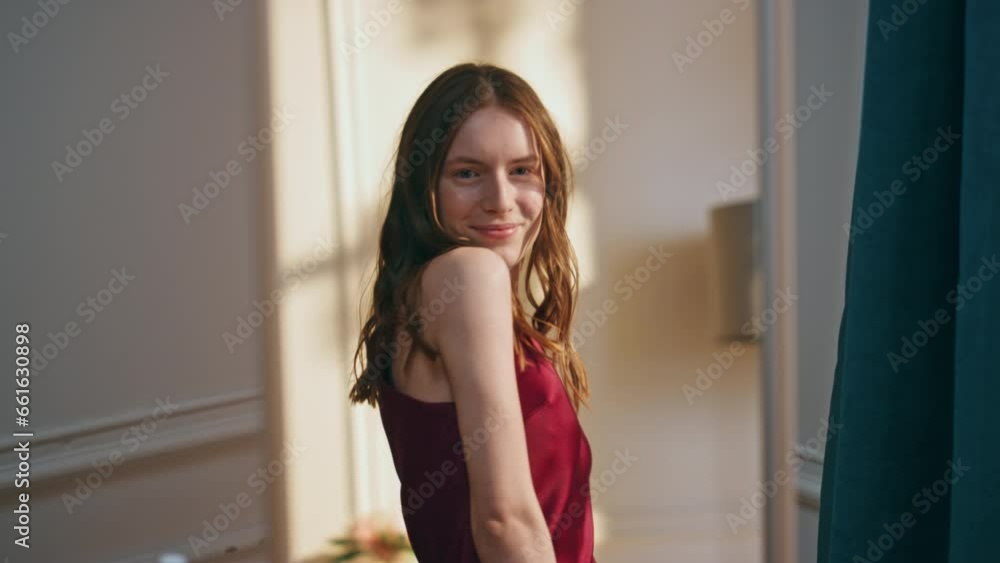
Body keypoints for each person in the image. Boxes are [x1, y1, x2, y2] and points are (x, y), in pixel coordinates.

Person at [349, 62, 596, 563]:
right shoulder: (469, 276)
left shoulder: (423, 292)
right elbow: (503, 520)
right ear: (425, 187)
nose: (501, 200)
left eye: (522, 170)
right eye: (468, 173)